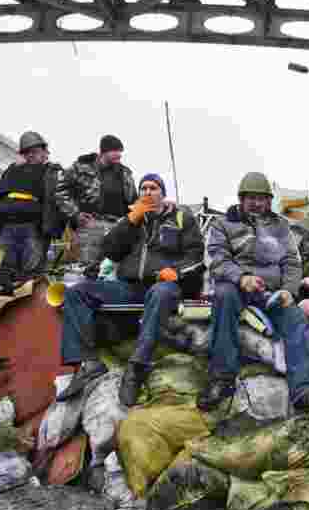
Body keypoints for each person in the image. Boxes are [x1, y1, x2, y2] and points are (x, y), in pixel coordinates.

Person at [57, 173, 204, 405]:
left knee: (160, 292)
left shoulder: (180, 217)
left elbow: (196, 255)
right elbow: (110, 250)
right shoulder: (132, 221)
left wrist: (176, 272)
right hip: (130, 287)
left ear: (162, 194)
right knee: (77, 292)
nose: (147, 192)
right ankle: (88, 363)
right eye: (143, 188)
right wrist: (131, 220)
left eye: (153, 188)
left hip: (166, 287)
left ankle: (137, 367)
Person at [198, 172, 309, 412]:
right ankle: (222, 378)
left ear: (268, 200)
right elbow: (216, 258)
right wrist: (241, 278)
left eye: (261, 198)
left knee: (295, 318)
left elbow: (292, 262)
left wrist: (289, 291)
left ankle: (304, 390)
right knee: (224, 295)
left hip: (272, 291)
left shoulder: (281, 226)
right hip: (236, 287)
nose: (256, 202)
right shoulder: (223, 224)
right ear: (241, 199)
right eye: (250, 197)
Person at [0, 131, 64, 282]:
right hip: (8, 226)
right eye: (27, 152)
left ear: (45, 153)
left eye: (35, 151)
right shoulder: (12, 170)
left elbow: (60, 199)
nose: (31, 155)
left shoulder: (52, 172)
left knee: (30, 273)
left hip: (35, 228)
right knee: (3, 270)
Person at [56, 135, 137, 266]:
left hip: (118, 227)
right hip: (91, 226)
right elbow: (60, 191)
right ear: (103, 152)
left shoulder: (125, 173)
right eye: (115, 151)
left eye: (120, 151)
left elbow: (134, 201)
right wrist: (75, 215)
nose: (119, 155)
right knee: (89, 267)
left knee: (114, 269)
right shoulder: (80, 167)